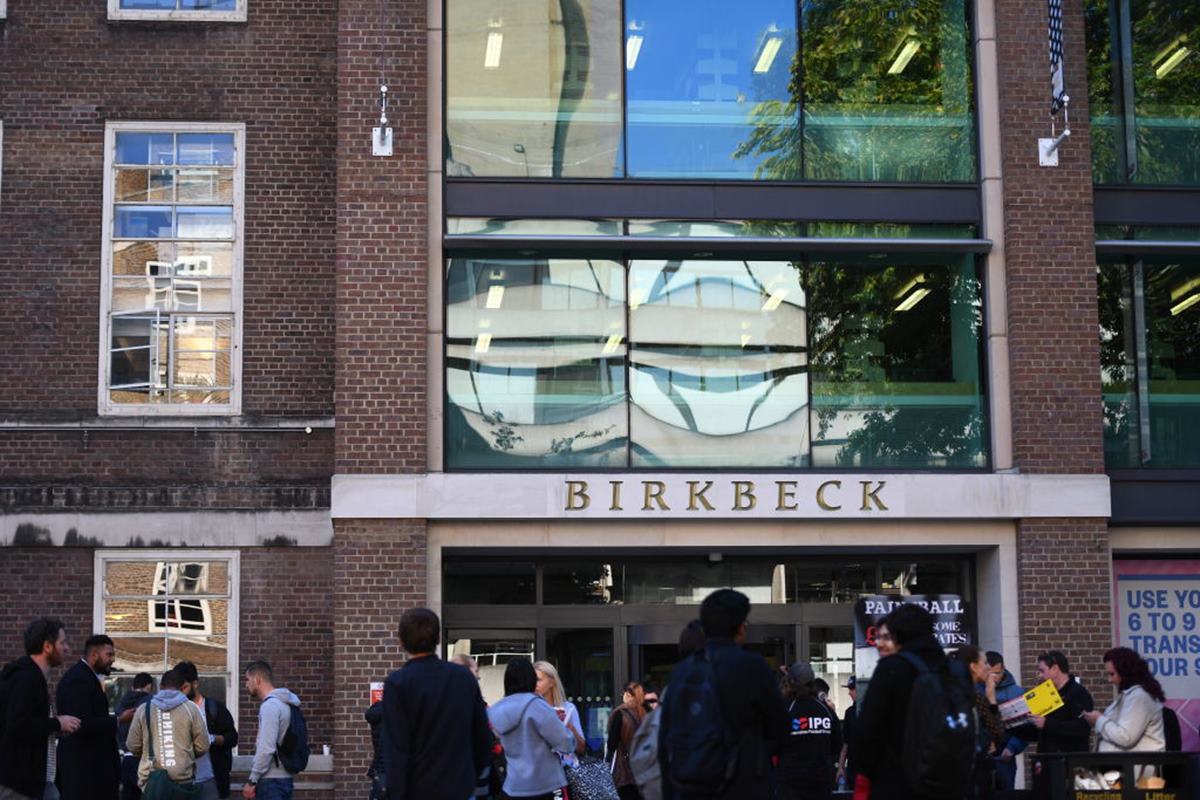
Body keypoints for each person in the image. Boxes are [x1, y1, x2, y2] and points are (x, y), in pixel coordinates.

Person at [658, 589, 789, 800]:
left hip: (688, 787)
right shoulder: (751, 666)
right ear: (740, 627)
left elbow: (665, 739)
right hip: (742, 786)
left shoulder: (682, 671)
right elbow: (781, 727)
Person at [853, 603, 969, 800]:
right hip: (949, 783)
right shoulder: (955, 670)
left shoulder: (892, 668)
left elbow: (867, 733)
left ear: (898, 634)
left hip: (898, 782)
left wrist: (868, 773)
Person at [381, 608, 492, 800]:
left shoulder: (397, 683)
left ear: (400, 641)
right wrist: (469, 776)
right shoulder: (463, 678)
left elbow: (396, 748)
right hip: (459, 788)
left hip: (416, 790)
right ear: (439, 638)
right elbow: (482, 737)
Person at [0, 618, 81, 800]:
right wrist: (57, 723)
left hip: (31, 781)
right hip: (19, 784)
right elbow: (18, 725)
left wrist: (55, 727)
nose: (67, 648)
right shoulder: (27, 678)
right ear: (47, 646)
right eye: (62, 642)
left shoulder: (28, 676)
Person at [487, 658, 575, 800]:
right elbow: (565, 742)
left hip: (513, 786)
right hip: (547, 785)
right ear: (531, 679)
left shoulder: (496, 710)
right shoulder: (537, 706)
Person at [1012, 650, 1094, 800]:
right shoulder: (1045, 694)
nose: (1040, 675)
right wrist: (1012, 727)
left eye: (1042, 670)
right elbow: (1037, 731)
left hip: (1068, 765)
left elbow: (1081, 728)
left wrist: (1047, 723)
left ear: (1055, 669)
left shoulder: (1078, 693)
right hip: (1047, 763)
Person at [55, 634, 124, 800]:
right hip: (84, 775)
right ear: (94, 655)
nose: (113, 660)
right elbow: (80, 723)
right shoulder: (78, 679)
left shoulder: (85, 677)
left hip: (89, 772)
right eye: (109, 655)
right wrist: (118, 720)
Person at [125, 668, 210, 795]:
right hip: (183, 782)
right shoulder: (191, 708)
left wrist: (148, 751)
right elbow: (203, 746)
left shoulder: (144, 709)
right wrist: (186, 754)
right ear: (182, 687)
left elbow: (132, 746)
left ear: (160, 686)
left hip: (152, 782)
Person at [1082, 647, 1165, 758]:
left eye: (1112, 674)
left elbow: (1126, 737)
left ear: (1125, 672)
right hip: (1120, 767)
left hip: (1134, 769)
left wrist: (1099, 719)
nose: (1109, 680)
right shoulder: (1129, 696)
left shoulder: (1140, 697)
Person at [176, 661, 239, 800]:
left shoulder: (213, 708)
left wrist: (212, 738)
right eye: (178, 689)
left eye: (185, 687)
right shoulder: (175, 710)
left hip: (210, 779)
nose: (181, 693)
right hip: (182, 782)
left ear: (195, 684)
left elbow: (233, 737)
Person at [242, 661, 302, 800]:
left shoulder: (270, 707)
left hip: (271, 782)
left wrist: (252, 780)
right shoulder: (286, 703)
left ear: (257, 680)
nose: (246, 684)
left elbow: (266, 748)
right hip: (286, 778)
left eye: (247, 679)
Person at [778, 662, 837, 800]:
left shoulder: (786, 709)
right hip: (821, 783)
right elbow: (836, 746)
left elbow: (774, 745)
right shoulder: (825, 710)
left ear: (791, 682)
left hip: (792, 785)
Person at [954, 646, 1004, 800]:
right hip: (975, 769)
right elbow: (997, 731)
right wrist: (991, 697)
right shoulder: (975, 695)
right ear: (973, 667)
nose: (988, 667)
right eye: (985, 663)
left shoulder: (953, 690)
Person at [984, 651, 1026, 792]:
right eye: (992, 673)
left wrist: (1012, 747)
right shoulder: (975, 691)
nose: (996, 677)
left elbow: (1025, 726)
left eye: (999, 672)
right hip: (982, 755)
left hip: (1004, 756)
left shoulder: (1016, 692)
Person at [533, 660, 586, 762]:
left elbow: (581, 748)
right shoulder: (529, 709)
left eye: (538, 680)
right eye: (532, 680)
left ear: (552, 682)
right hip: (538, 770)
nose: (534, 684)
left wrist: (569, 727)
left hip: (565, 770)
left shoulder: (568, 708)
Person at [116, 673, 155, 800]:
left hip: (125, 758)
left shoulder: (121, 704)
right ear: (149, 686)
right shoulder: (150, 703)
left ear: (133, 687)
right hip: (144, 759)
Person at [608, 681, 647, 800]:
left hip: (625, 772)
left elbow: (612, 745)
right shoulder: (647, 713)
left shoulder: (620, 713)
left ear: (627, 694)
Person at [836, 676, 857, 792]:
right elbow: (846, 742)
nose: (849, 693)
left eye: (852, 689)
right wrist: (840, 767)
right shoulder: (849, 712)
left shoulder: (873, 710)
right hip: (854, 767)